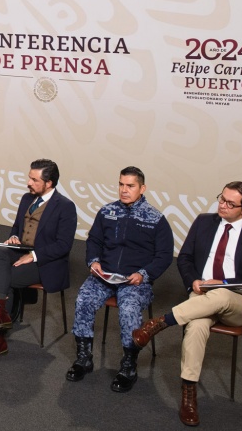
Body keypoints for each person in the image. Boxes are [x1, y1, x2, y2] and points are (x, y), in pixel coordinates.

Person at [131, 181, 242, 426]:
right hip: (201, 296)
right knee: (196, 326)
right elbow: (184, 258)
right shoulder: (204, 222)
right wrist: (193, 281)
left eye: (231, 203)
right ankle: (189, 394)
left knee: (220, 294)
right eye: (221, 199)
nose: (223, 205)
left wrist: (225, 282)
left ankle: (159, 323)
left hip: (238, 303)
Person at [66, 166, 173, 392]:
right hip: (104, 276)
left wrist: (143, 275)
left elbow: (164, 256)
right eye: (121, 185)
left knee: (128, 309)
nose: (124, 190)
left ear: (142, 188)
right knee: (83, 299)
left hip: (134, 281)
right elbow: (93, 240)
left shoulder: (156, 219)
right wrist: (93, 262)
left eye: (130, 186)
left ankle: (128, 366)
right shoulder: (107, 212)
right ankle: (84, 358)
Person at [0, 159, 77, 359]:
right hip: (22, 250)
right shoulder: (27, 199)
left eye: (34, 180)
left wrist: (34, 256)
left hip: (45, 261)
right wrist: (14, 237)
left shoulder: (65, 207)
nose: (29, 182)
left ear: (49, 183)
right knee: (1, 252)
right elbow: (16, 227)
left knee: (7, 279)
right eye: (29, 177)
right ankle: (1, 315)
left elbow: (64, 246)